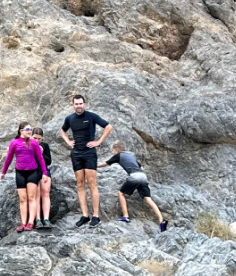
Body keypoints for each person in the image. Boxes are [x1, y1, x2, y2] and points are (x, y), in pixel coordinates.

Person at [60, 94, 112, 227]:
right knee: (80, 183)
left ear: (84, 104)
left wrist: (99, 141)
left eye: (80, 103)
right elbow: (62, 131)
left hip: (89, 153)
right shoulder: (70, 118)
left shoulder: (91, 116)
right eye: (76, 104)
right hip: (76, 153)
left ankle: (96, 216)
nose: (79, 106)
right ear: (73, 105)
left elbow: (108, 127)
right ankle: (85, 215)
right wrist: (68, 141)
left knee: (92, 183)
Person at [0, 123, 49, 232]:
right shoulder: (14, 143)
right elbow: (9, 158)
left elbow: (40, 158)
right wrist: (3, 172)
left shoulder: (34, 143)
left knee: (31, 197)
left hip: (32, 172)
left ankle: (30, 222)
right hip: (20, 173)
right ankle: (23, 222)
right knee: (22, 198)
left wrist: (44, 172)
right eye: (27, 129)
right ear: (21, 131)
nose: (30, 131)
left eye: (31, 129)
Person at [105, 142, 166, 228]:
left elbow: (105, 163)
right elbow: (142, 168)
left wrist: (93, 166)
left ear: (117, 149)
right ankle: (161, 220)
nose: (112, 152)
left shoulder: (118, 155)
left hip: (135, 176)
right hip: (143, 176)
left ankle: (125, 216)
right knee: (148, 199)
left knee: (120, 193)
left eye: (113, 150)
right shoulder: (130, 156)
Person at [31, 125, 56, 229]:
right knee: (36, 195)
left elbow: (49, 161)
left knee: (46, 193)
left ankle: (46, 219)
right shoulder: (28, 145)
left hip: (44, 170)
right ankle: (38, 219)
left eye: (39, 139)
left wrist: (41, 153)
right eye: (35, 138)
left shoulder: (45, 146)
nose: (37, 141)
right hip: (33, 171)